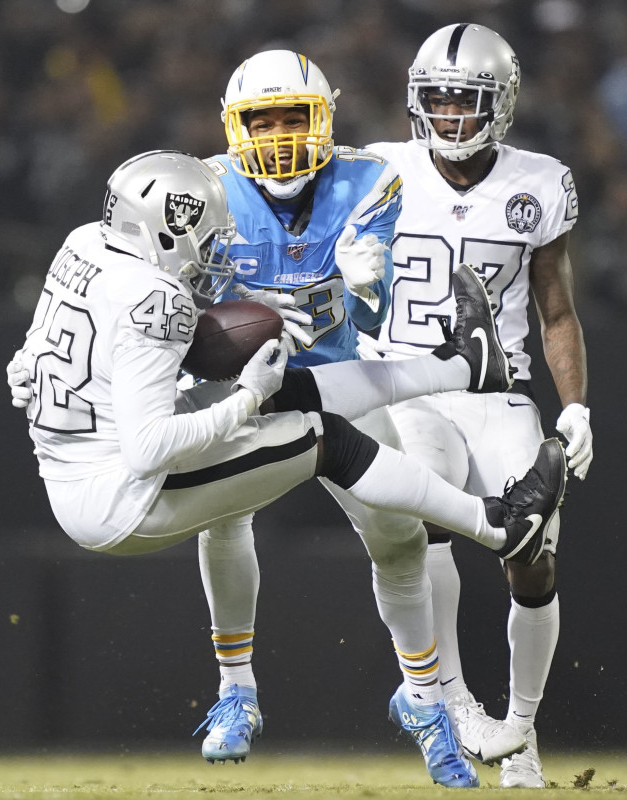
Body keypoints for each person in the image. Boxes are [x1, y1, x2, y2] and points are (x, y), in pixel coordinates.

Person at [4, 149, 568, 784]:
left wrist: (27, 368)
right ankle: (498, 525)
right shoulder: (155, 297)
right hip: (123, 495)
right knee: (324, 438)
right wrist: (245, 399)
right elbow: (150, 448)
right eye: (202, 237)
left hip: (80, 467)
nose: (212, 252)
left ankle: (461, 365)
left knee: (292, 399)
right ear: (162, 231)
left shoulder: (83, 244)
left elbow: (35, 354)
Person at [189, 50, 520, 785]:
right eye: (263, 121)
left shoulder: (367, 181)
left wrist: (367, 280)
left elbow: (371, 310)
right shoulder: (205, 190)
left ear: (324, 119)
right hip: (246, 390)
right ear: (236, 127)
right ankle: (236, 690)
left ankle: (424, 700)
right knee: (222, 519)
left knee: (399, 540)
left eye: (293, 117)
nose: (279, 135)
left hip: (336, 384)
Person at [357, 23, 594, 788]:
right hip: (407, 389)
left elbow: (557, 310)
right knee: (422, 519)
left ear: (502, 103)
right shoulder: (376, 170)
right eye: (438, 100)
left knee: (533, 554)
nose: (451, 116)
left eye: (466, 100)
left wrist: (576, 406)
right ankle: (455, 703)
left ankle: (520, 729)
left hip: (498, 392)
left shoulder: (540, 183)